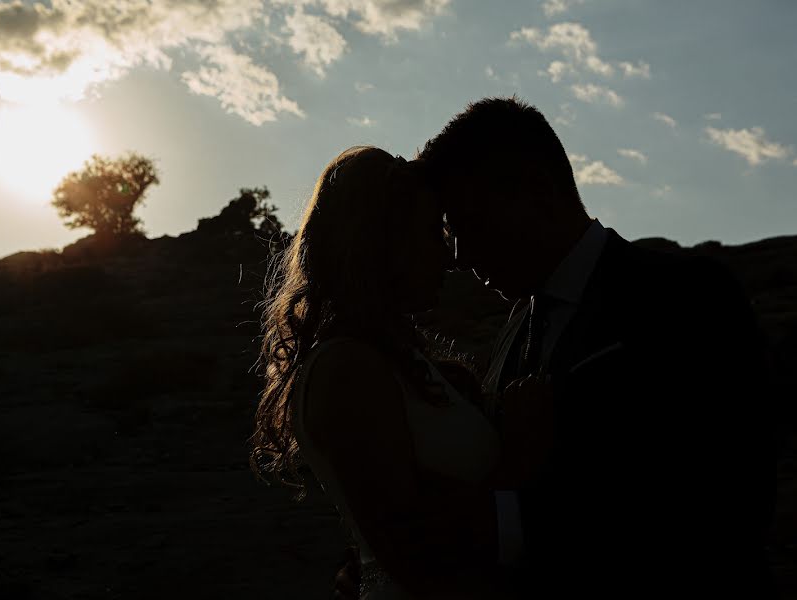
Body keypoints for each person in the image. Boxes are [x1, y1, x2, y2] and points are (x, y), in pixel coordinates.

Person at [414, 96, 779, 598]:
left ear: (535, 188)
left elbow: (727, 500)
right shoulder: (511, 336)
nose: (459, 257)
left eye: (467, 225)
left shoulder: (687, 297)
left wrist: (473, 533)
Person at [250, 146, 554, 599]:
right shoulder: (345, 370)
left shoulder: (409, 368)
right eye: (432, 234)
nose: (448, 257)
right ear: (380, 242)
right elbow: (413, 552)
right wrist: (519, 458)